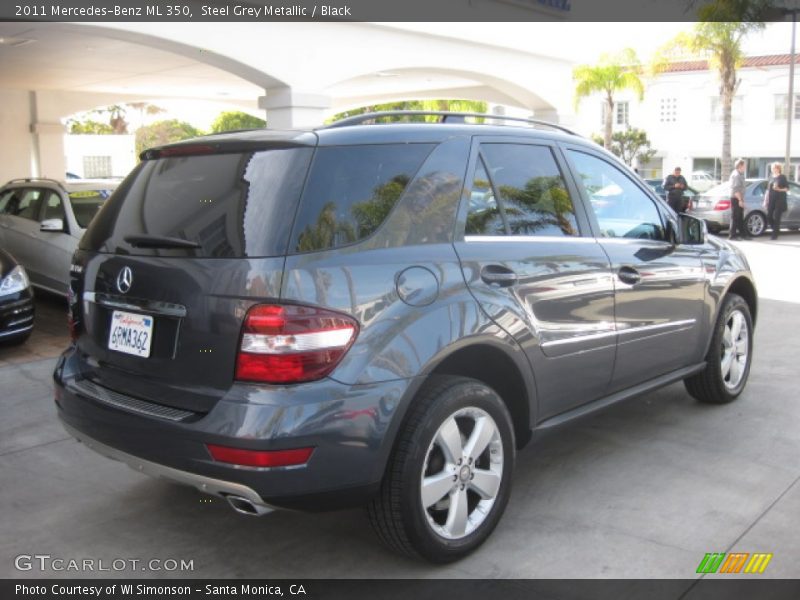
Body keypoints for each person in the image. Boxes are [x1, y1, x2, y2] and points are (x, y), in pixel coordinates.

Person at [766, 163, 789, 240]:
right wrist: (766, 199)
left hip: (780, 199)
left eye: (775, 168)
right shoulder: (770, 177)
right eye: (772, 168)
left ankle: (774, 235)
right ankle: (776, 229)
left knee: (777, 217)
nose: (773, 169)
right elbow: (768, 189)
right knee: (769, 216)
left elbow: (787, 188)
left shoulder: (782, 177)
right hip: (771, 199)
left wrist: (779, 189)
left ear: (779, 169)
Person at [728, 158, 749, 240]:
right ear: (740, 166)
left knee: (740, 217)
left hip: (739, 198)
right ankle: (732, 235)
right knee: (735, 217)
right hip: (736, 198)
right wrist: (740, 200)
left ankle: (743, 235)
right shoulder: (736, 175)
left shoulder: (740, 174)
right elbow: (735, 189)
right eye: (744, 165)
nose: (745, 167)